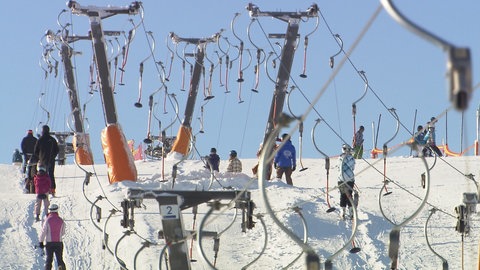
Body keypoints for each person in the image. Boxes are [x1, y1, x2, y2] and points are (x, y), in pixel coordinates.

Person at [39, 203, 66, 270]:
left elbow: (43, 232)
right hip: (59, 243)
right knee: (60, 260)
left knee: (49, 260)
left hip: (49, 243)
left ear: (50, 210)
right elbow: (63, 233)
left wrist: (41, 241)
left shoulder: (47, 220)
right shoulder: (61, 220)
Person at [34, 125, 59, 196]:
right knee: (51, 174)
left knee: (43, 175)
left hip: (43, 161)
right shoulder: (52, 139)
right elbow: (57, 150)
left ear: (42, 131)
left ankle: (44, 190)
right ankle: (52, 190)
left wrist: (40, 157)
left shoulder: (40, 140)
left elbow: (35, 151)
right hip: (51, 160)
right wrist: (53, 156)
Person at [338, 144, 356, 220]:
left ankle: (345, 211)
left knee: (344, 195)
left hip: (342, 179)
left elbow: (340, 167)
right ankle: (348, 211)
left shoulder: (340, 158)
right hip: (348, 179)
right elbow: (352, 167)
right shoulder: (351, 158)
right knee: (348, 195)